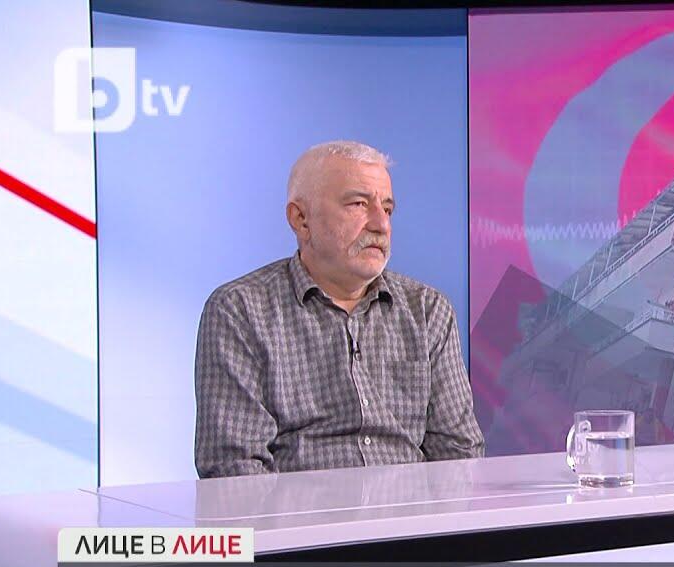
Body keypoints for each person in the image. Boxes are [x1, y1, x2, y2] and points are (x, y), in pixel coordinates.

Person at [193, 141, 484, 478]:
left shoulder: (428, 310)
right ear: (301, 219)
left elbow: (459, 454)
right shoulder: (240, 311)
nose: (381, 224)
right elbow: (234, 469)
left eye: (387, 209)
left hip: (412, 509)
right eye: (359, 204)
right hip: (298, 511)